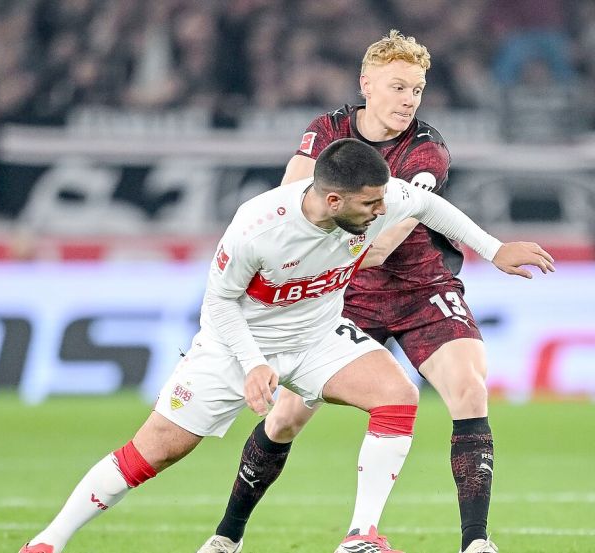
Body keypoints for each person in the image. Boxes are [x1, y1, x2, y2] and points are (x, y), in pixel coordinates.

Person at [19, 138, 555, 553]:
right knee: (151, 453)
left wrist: (492, 249)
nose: (378, 213)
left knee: (397, 395)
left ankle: (360, 534)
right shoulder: (258, 226)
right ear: (332, 198)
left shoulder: (376, 197)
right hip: (238, 347)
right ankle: (49, 540)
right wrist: (253, 365)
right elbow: (219, 305)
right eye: (368, 205)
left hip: (318, 334)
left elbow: (432, 210)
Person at [199, 31, 523, 553]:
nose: (408, 100)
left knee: (469, 388)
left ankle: (475, 542)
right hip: (343, 294)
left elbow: (381, 244)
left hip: (421, 287)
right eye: (398, 87)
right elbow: (289, 197)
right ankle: (227, 536)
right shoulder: (325, 131)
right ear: (366, 84)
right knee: (284, 419)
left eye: (416, 90)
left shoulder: (427, 149)